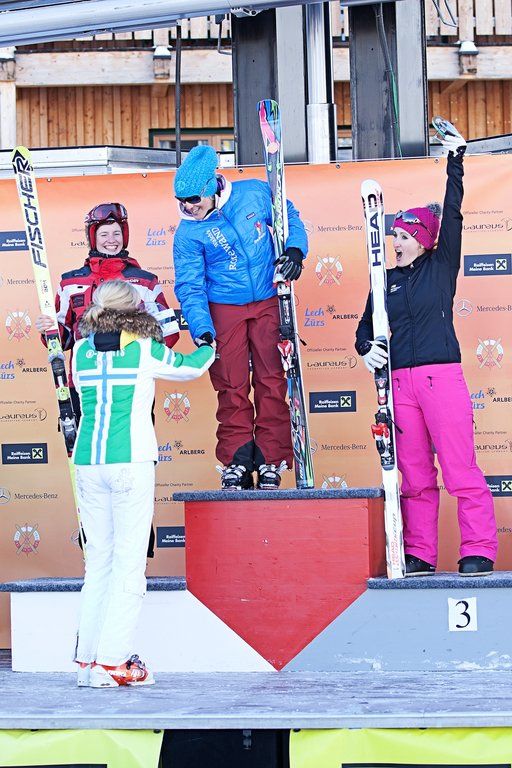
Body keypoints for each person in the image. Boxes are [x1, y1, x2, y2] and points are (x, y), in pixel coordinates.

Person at [355, 127, 498, 577]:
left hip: (441, 377)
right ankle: (419, 553)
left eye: (403, 235)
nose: (395, 242)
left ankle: (478, 549)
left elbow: (452, 214)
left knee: (460, 470)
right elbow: (364, 328)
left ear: (422, 239)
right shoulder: (384, 281)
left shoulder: (441, 267)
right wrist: (366, 349)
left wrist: (455, 160)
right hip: (400, 385)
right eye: (392, 235)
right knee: (415, 477)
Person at [72, 279, 214, 687]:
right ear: (135, 309)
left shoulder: (80, 350)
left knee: (98, 563)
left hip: (87, 463)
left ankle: (88, 662)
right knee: (129, 563)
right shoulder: (143, 348)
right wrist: (209, 342)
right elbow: (192, 366)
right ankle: (113, 662)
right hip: (129, 461)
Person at [172, 144, 308, 490]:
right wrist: (202, 329)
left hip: (267, 298)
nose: (188, 207)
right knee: (231, 385)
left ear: (211, 188)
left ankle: (270, 458)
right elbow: (190, 286)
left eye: (193, 200)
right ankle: (237, 459)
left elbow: (289, 215)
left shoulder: (254, 193)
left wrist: (295, 250)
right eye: (181, 201)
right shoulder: (187, 232)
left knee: (271, 380)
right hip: (224, 307)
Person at [35, 202, 179, 421]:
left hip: (132, 382)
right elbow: (64, 341)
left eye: (117, 233)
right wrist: (50, 331)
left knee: (134, 439)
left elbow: (168, 334)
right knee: (87, 439)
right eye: (104, 234)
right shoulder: (70, 283)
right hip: (85, 382)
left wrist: (136, 355)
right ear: (93, 238)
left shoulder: (145, 282)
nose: (111, 239)